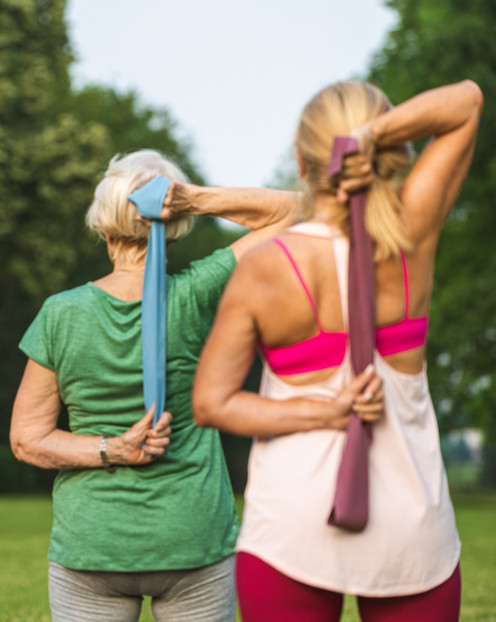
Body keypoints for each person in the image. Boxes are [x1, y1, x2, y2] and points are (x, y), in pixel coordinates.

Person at [192, 79, 482, 621]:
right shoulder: (410, 237)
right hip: (411, 527)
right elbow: (467, 100)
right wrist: (370, 134)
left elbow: (211, 402)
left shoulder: (265, 266)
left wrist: (321, 410)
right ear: (384, 155)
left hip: (290, 527)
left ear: (303, 166)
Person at [9, 149, 302, 622]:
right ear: (174, 226)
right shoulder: (197, 293)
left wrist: (112, 449)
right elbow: (299, 211)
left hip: (93, 543)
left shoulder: (60, 314)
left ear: (105, 232)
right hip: (193, 538)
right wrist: (193, 199)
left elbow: (27, 439)